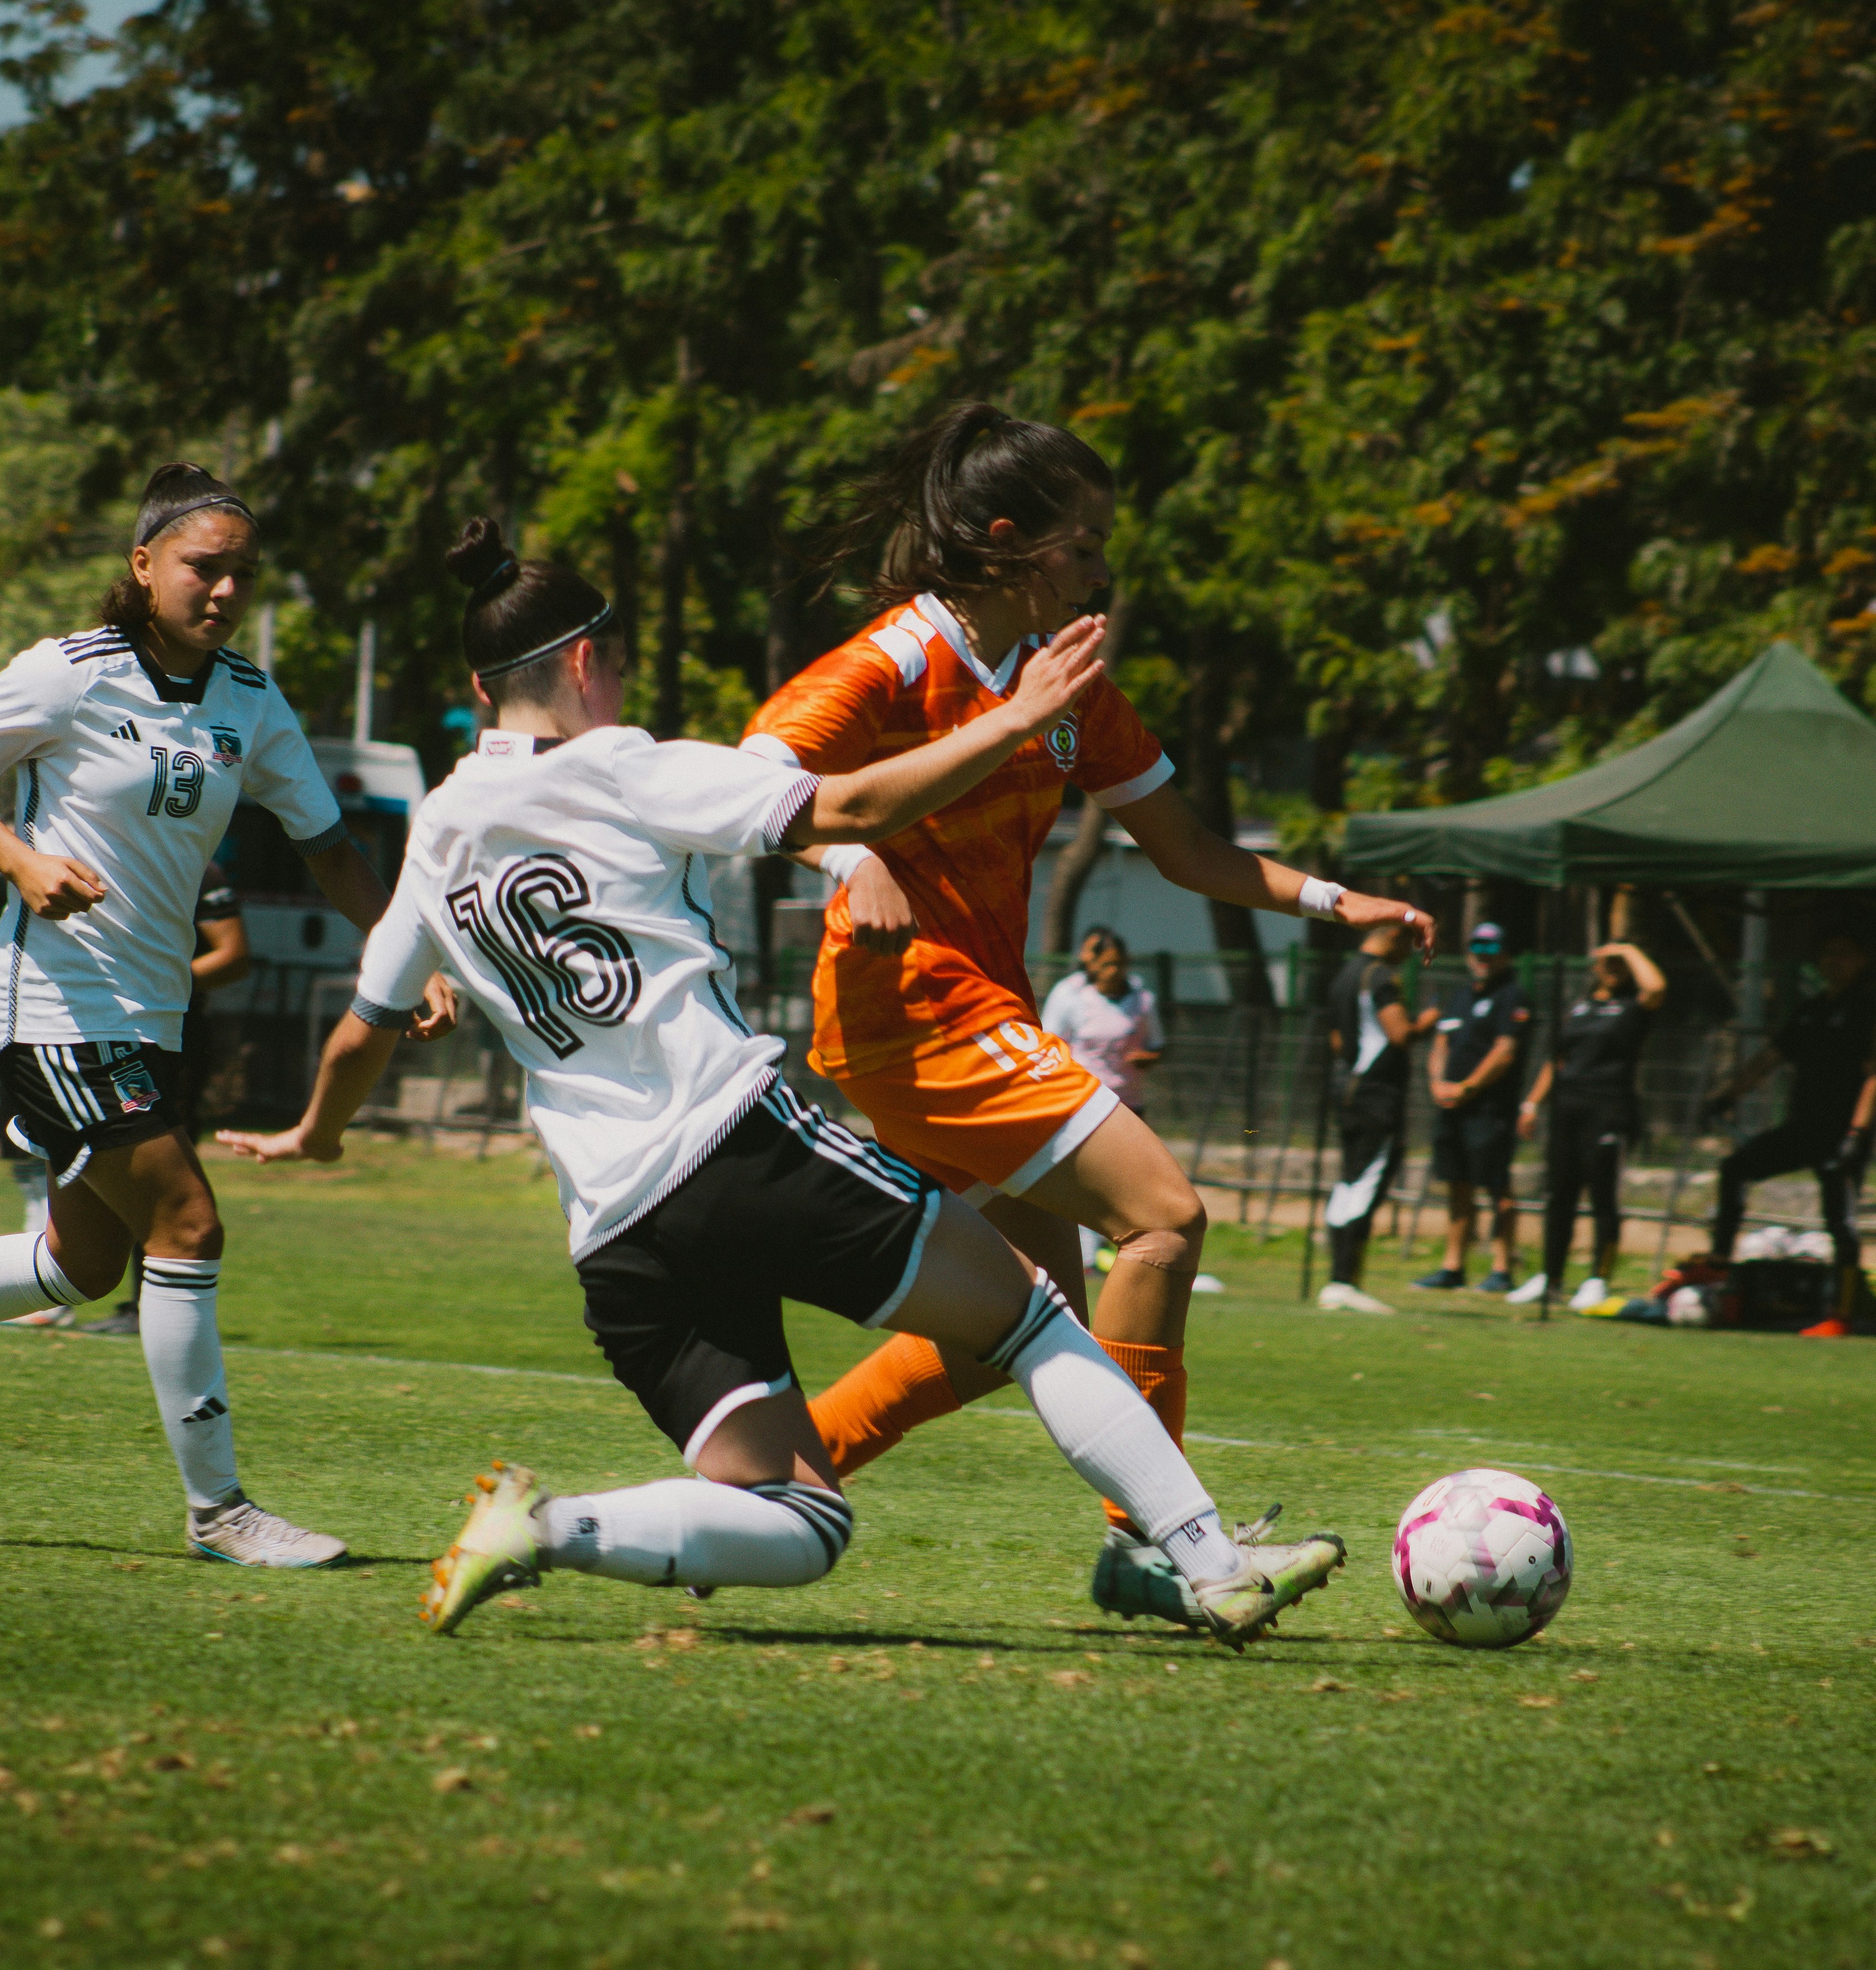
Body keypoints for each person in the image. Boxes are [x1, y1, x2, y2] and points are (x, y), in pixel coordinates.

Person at [219, 519, 1341, 1645]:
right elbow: (844, 808)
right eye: (613, 664)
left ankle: (546, 1527)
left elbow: (362, 1033)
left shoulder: (438, 832)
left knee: (805, 1518)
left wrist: (316, 1133)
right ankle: (1209, 1562)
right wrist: (1018, 715)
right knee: (1036, 1321)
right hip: (737, 1153)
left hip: (618, 1244)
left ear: (479, 686)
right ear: (582, 662)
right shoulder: (624, 765)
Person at [740, 402, 1429, 1628]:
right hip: (913, 1009)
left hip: (964, 1014)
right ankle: (1160, 1547)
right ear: (1010, 544)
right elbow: (756, 773)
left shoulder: (1071, 687)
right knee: (1164, 1219)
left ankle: (752, 1497)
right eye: (1085, 539)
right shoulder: (901, 659)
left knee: (1006, 1325)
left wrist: (1338, 901)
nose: (1106, 563)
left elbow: (1192, 852)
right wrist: (854, 862)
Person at [0, 462, 416, 1570]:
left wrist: (409, 949)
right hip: (56, 1003)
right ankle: (219, 1511)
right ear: (144, 566)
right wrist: (24, 862)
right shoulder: (69, 674)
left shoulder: (252, 702)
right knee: (188, 1223)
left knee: (81, 1266)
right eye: (201, 567)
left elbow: (330, 850)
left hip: (151, 1016)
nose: (223, 592)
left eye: (241, 575)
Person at [85, 858, 250, 1337]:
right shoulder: (109, 858)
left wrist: (155, 987)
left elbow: (234, 954)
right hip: (111, 1033)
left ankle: (149, 1308)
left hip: (171, 1038)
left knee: (156, 1158)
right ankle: (138, 1303)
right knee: (122, 1157)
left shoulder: (202, 871)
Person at [1706, 930, 1876, 1279]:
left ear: (1860, 961)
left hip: (1842, 1131)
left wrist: (1857, 1132)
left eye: (1843, 954)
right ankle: (1718, 1264)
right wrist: (1727, 1097)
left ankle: (1842, 1304)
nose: (1833, 961)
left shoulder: (1869, 1011)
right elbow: (1770, 1059)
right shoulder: (1810, 1010)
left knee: (1839, 1215)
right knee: (1735, 1169)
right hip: (1804, 1125)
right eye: (1828, 954)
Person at [1513, 942, 1667, 1313]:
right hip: (1568, 1108)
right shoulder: (1579, 1007)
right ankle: (1551, 1277)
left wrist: (1629, 949)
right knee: (1558, 1195)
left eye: (1620, 964)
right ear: (1595, 967)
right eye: (1606, 962)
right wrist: (1533, 1103)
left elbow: (1657, 988)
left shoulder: (1634, 1007)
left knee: (1602, 1195)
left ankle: (1598, 1278)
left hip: (1610, 1108)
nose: (1612, 969)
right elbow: (1558, 1058)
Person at [1037, 925, 1163, 1283]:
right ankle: (1089, 1254)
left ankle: (1127, 1251)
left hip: (1129, 1104)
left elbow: (1159, 1044)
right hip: (1084, 1102)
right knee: (1089, 1181)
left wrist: (1149, 1057)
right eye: (1103, 961)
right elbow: (1050, 1043)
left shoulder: (1141, 998)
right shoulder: (1070, 994)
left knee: (1130, 1182)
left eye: (1119, 963)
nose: (1113, 970)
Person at [1413, 922, 1529, 1293]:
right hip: (1452, 1107)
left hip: (1489, 1110)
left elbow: (1504, 1051)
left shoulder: (1514, 996)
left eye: (1492, 949)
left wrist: (1468, 1087)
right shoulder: (1460, 996)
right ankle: (1453, 1266)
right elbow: (1441, 1044)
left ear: (1506, 954)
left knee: (1497, 1188)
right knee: (1457, 1186)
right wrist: (1437, 1084)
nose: (1482, 956)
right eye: (1477, 947)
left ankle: (1501, 1269)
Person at [1315, 915, 1417, 1315]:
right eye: (1409, 944)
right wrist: (1426, 1023)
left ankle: (1339, 1281)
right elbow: (1399, 1034)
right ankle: (1344, 1281)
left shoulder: (1344, 976)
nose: (1408, 955)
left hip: (1347, 1091)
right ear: (1393, 935)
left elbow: (1338, 1039)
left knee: (1350, 1179)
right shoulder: (1379, 977)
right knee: (1368, 1180)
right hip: (1377, 1095)